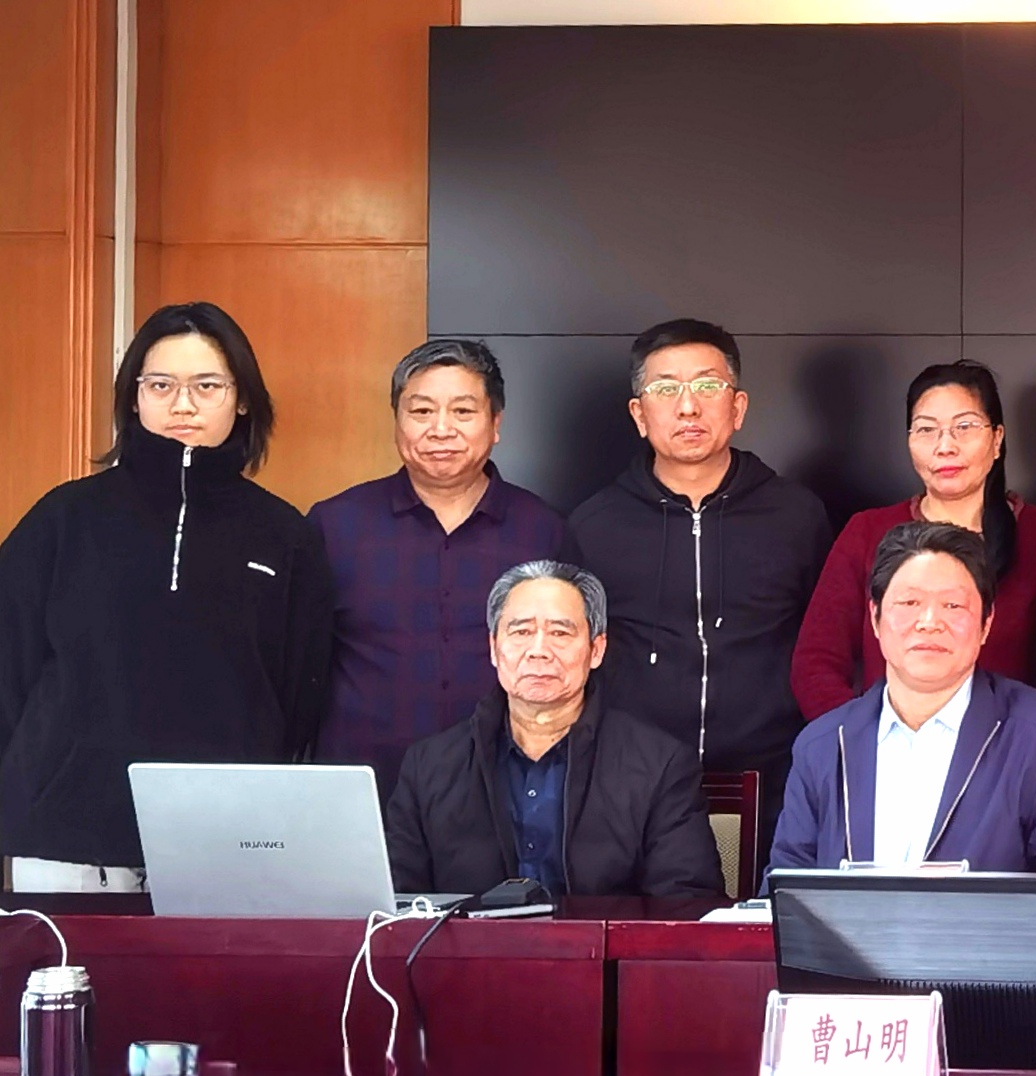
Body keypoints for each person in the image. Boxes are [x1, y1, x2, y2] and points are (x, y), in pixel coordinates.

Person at [0, 303, 333, 891]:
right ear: (134, 398)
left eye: (207, 386)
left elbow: (300, 692)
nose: (183, 405)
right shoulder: (64, 518)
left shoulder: (285, 535)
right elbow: (10, 666)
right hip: (65, 837)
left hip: (225, 839)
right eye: (160, 385)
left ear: (242, 398)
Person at [567, 319, 833, 791]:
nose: (688, 406)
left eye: (708, 386)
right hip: (635, 781)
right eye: (666, 389)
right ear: (639, 414)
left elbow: (826, 645)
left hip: (774, 776)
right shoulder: (594, 525)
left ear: (738, 407)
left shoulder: (796, 515)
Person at [769, 523, 1036, 874]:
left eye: (952, 605)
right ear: (875, 617)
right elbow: (786, 889)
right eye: (909, 602)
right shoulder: (823, 745)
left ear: (986, 624)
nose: (930, 622)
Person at [312, 338, 574, 779]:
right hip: (365, 780)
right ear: (397, 421)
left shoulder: (543, 531)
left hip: (503, 784)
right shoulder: (335, 525)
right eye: (421, 411)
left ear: (495, 423)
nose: (441, 429)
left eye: (463, 411)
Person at [384, 561, 722, 899]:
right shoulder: (429, 767)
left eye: (560, 633)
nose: (538, 651)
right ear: (494, 648)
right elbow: (393, 903)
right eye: (521, 632)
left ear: (596, 650)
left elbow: (685, 903)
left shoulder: (659, 766)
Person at [792, 361, 1036, 717]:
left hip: (1013, 746)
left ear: (997, 439)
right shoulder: (867, 532)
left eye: (964, 427)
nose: (945, 446)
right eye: (926, 430)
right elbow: (815, 662)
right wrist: (864, 737)